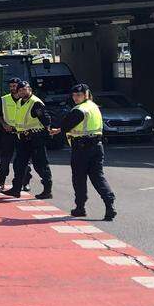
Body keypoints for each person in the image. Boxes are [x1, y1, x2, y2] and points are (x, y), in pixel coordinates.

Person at [49, 83, 116, 221]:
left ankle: (80, 208)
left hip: (81, 149)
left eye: (78, 95)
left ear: (86, 94)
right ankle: (110, 205)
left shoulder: (79, 110)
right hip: (97, 146)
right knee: (98, 177)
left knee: (79, 178)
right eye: (74, 95)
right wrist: (61, 129)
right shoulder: (94, 107)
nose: (75, 98)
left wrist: (58, 130)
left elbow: (67, 124)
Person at [3, 81, 53, 199]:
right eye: (20, 90)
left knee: (40, 165)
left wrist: (44, 131)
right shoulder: (20, 102)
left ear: (29, 89)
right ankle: (16, 189)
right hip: (23, 138)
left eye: (24, 89)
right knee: (19, 164)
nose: (22, 92)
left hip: (35, 138)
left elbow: (46, 120)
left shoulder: (35, 103)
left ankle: (47, 190)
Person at [0, 77, 32, 192]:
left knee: (24, 160)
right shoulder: (4, 99)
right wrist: (4, 125)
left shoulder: (27, 100)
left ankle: (25, 183)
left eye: (14, 86)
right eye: (10, 86)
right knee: (5, 159)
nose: (12, 88)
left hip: (23, 133)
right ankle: (1, 182)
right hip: (8, 133)